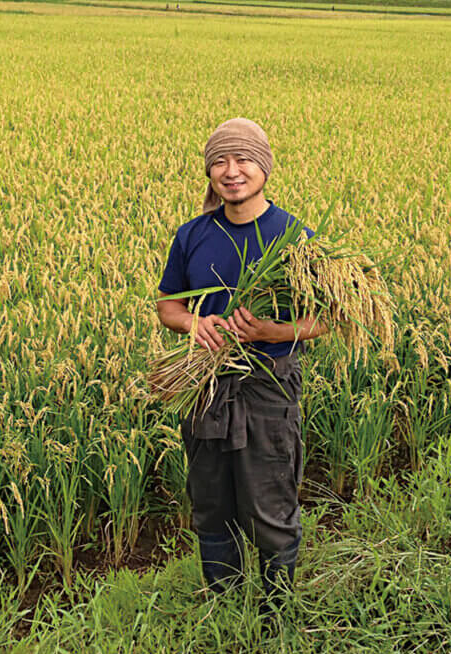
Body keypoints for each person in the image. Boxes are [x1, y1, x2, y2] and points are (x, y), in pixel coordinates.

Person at [156, 118, 327, 611]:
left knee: (270, 503)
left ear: (264, 168)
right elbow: (167, 305)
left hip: (267, 387)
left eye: (243, 160)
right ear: (209, 172)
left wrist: (275, 332)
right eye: (219, 162)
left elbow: (329, 319)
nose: (231, 172)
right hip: (204, 387)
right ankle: (224, 610)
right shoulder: (192, 235)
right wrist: (194, 325)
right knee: (210, 505)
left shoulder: (295, 236)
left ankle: (276, 616)